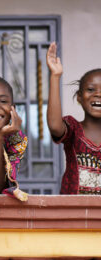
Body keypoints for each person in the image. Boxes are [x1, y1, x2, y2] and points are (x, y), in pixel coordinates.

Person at [47, 42, 101, 194]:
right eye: (91, 89)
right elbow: (54, 126)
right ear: (79, 97)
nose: (98, 94)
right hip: (73, 211)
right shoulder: (73, 128)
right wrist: (55, 76)